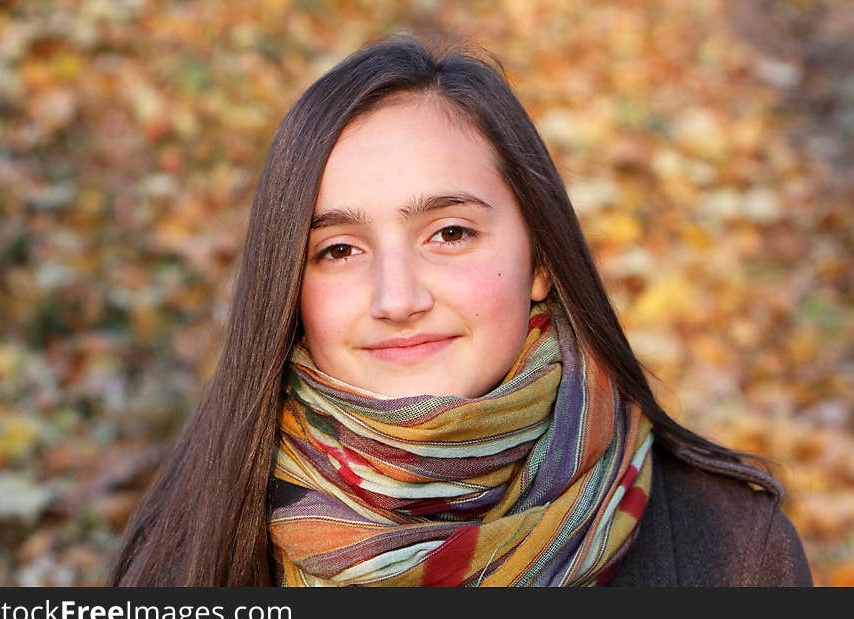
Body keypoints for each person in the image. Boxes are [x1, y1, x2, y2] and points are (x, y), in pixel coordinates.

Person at [109, 33, 812, 587]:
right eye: (339, 250)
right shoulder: (189, 547)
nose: (397, 299)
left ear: (540, 260)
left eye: (450, 234)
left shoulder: (733, 550)